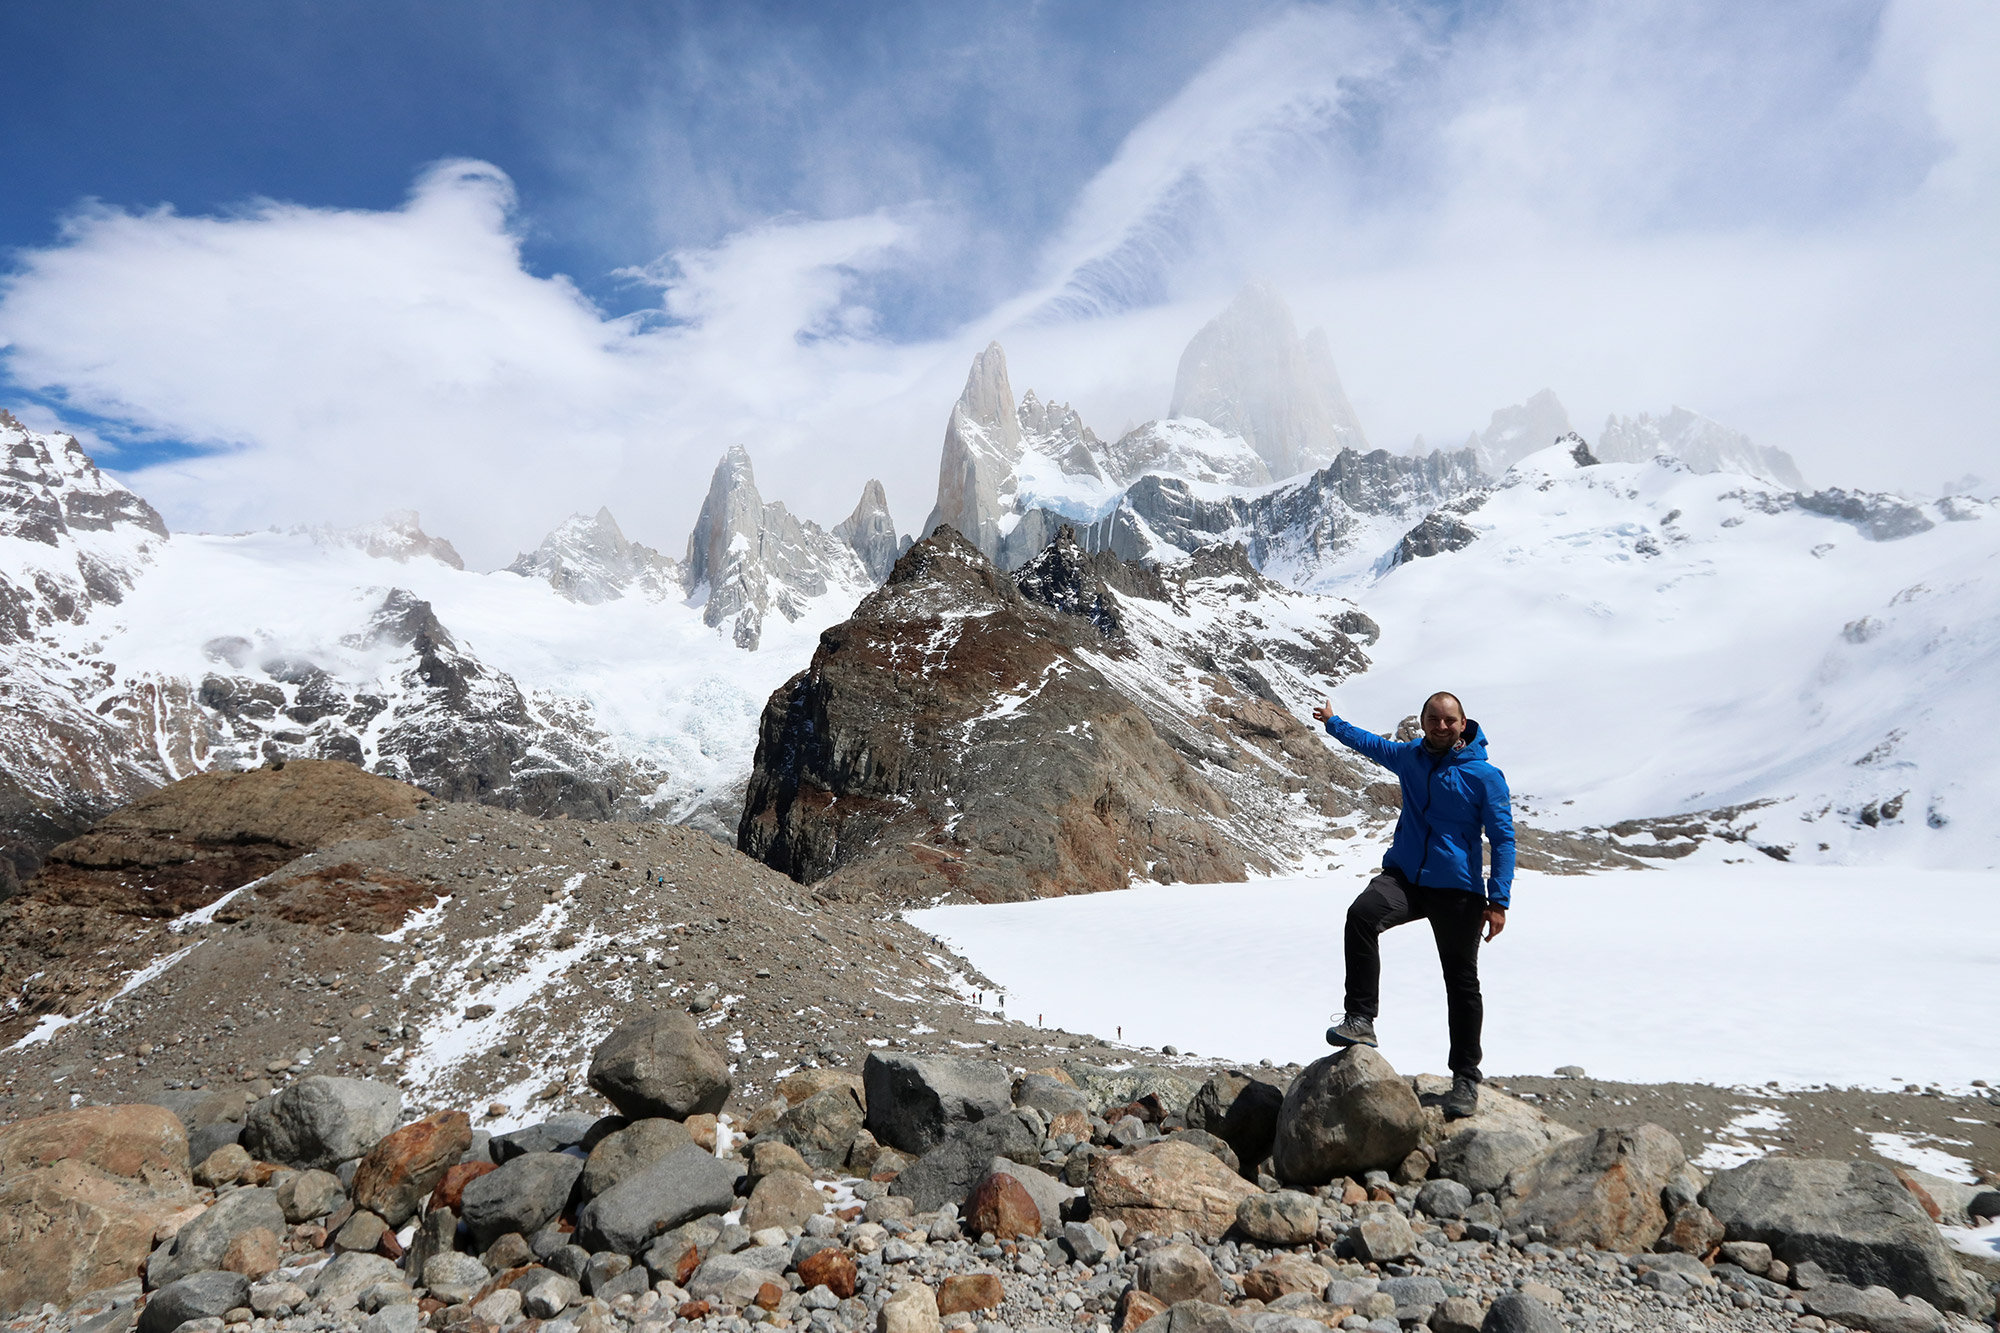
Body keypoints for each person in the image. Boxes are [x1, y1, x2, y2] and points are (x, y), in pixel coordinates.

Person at [1310, 690, 1514, 1118]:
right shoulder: (1410, 758)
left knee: (1461, 982)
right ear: (1422, 722)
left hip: (1458, 889)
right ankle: (1361, 1020)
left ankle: (1465, 1077)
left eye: (1449, 720)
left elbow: (1502, 839)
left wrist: (1498, 900)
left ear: (1463, 724)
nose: (1441, 726)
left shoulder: (1484, 776)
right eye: (1434, 719)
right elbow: (1371, 744)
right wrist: (1333, 722)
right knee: (1361, 916)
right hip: (1405, 877)